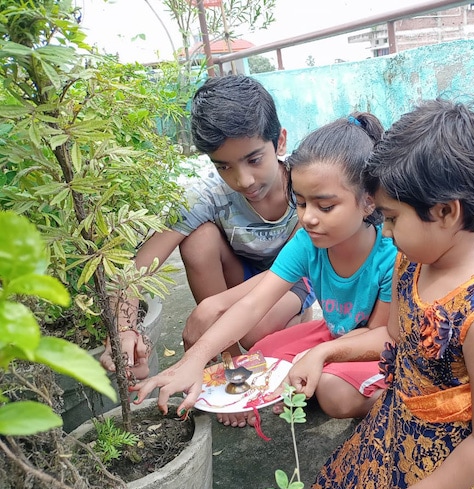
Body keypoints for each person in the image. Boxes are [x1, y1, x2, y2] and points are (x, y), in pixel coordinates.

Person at [305, 99, 474, 489]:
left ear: (446, 211)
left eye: (392, 218)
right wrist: (325, 353)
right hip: (394, 434)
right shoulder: (412, 261)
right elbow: (394, 336)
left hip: (453, 476)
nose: (385, 232)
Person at [131, 112, 397, 429]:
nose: (309, 218)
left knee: (332, 391)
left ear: (369, 202)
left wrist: (321, 354)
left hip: (371, 347)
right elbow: (252, 304)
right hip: (334, 332)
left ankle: (388, 401)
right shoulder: (307, 243)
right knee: (260, 355)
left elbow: (381, 336)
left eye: (325, 207)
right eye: (300, 203)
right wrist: (194, 360)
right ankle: (309, 375)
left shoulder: (390, 255)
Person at [99, 75, 314, 380]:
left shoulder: (305, 183)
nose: (243, 180)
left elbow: (295, 264)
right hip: (242, 272)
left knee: (255, 333)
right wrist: (123, 331)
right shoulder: (206, 194)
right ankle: (230, 360)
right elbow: (137, 270)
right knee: (198, 238)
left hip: (295, 274)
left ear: (279, 141)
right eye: (223, 166)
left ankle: (290, 320)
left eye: (254, 159)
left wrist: (217, 306)